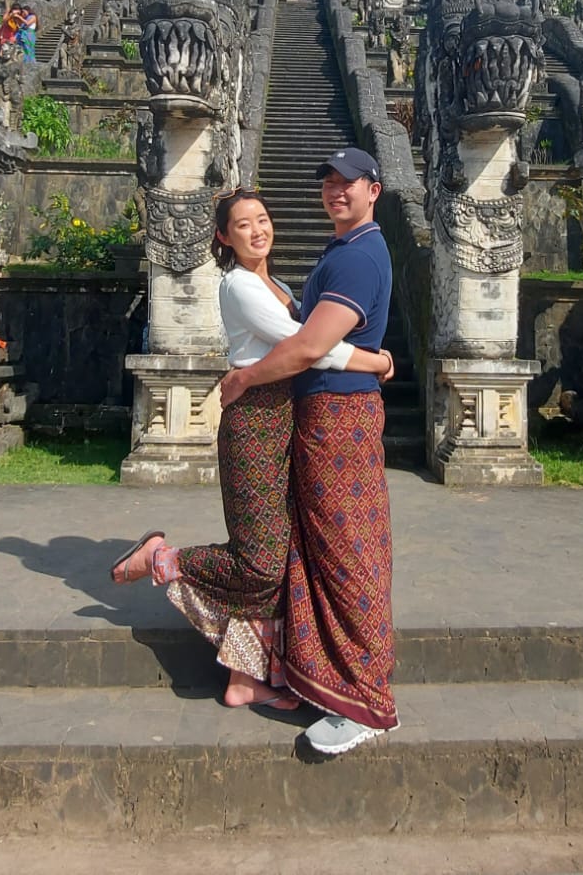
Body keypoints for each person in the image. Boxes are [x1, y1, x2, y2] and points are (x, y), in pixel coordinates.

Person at [110, 187, 391, 712]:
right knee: (259, 563)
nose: (258, 230)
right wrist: (373, 362)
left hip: (286, 419)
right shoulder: (239, 285)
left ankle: (243, 678)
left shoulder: (276, 282)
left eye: (263, 219)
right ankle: (162, 559)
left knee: (282, 556)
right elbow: (301, 344)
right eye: (243, 225)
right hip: (255, 425)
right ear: (224, 236)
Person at [219, 146, 399, 756]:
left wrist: (243, 378)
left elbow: (305, 348)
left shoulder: (358, 259)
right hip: (322, 412)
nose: (334, 191)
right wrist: (374, 358)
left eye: (348, 183)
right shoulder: (340, 251)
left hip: (339, 415)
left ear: (374, 189)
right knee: (320, 550)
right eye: (327, 183)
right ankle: (323, 673)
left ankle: (366, 700)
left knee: (348, 554)